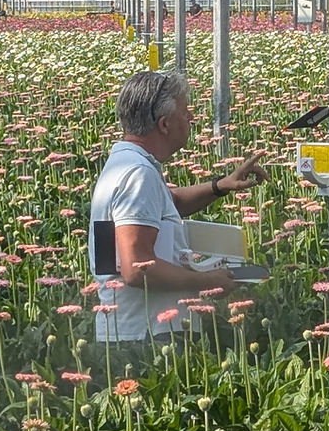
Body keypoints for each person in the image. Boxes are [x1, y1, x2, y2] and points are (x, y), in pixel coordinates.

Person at [88, 70, 268, 342]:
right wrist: (211, 281)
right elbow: (137, 267)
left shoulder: (125, 165)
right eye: (185, 112)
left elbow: (167, 206)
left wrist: (220, 186)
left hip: (131, 329)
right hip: (147, 337)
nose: (191, 119)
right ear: (164, 124)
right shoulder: (138, 175)